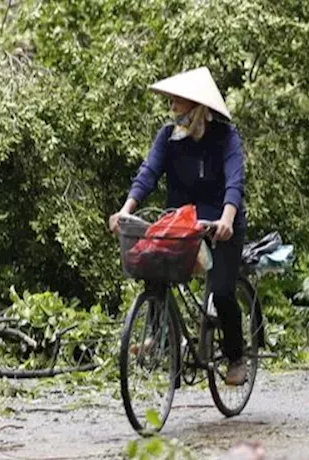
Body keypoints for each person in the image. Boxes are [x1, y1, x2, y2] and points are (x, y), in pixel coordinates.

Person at [108, 67, 249, 385]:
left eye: (178, 101)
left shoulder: (226, 137)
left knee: (223, 291)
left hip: (219, 223)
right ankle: (159, 337)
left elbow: (234, 182)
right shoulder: (168, 137)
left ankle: (236, 357)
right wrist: (125, 211)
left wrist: (226, 219)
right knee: (153, 266)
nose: (172, 105)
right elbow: (147, 174)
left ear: (197, 106)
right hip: (181, 222)